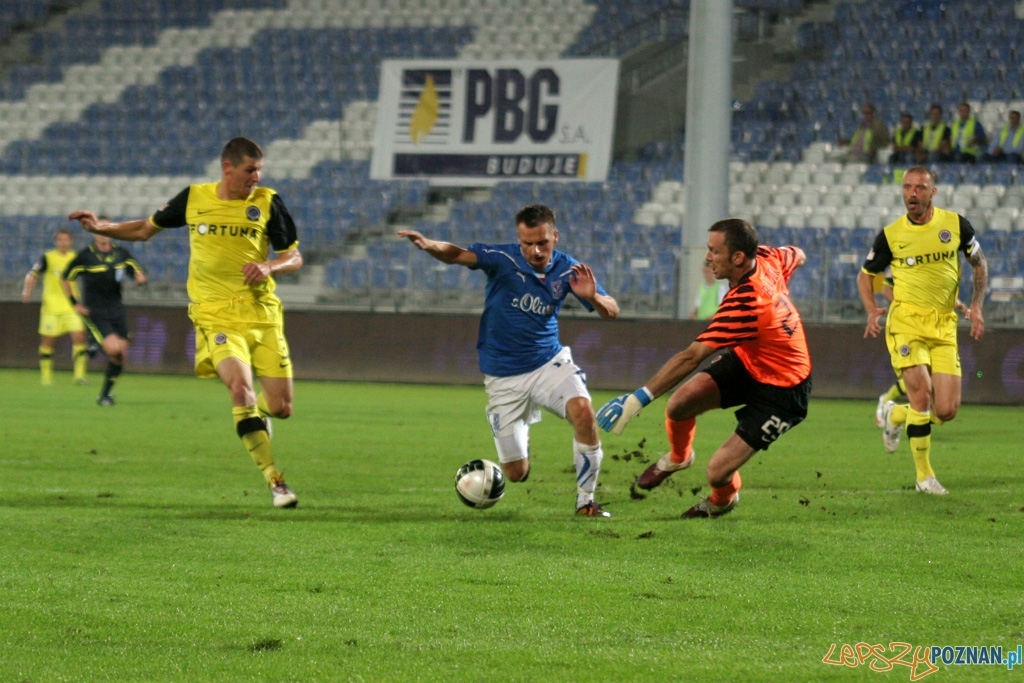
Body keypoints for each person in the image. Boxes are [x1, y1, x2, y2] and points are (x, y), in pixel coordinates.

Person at [68, 137, 303, 509]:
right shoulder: (194, 198)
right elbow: (145, 229)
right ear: (228, 168)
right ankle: (276, 481)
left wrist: (270, 265)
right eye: (249, 170)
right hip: (214, 314)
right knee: (239, 389)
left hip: (262, 315)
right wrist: (102, 226)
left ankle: (258, 418)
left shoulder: (268, 202)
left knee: (281, 407)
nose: (255, 177)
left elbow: (293, 257)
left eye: (259, 170)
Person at [399, 204, 620, 517]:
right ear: (519, 240)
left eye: (542, 242)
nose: (535, 250)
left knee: (583, 412)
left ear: (555, 237)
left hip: (549, 362)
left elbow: (613, 310)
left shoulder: (569, 270)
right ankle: (521, 434)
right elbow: (456, 254)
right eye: (527, 243)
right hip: (503, 377)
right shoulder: (501, 259)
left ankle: (586, 502)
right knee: (516, 473)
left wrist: (594, 296)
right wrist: (428, 245)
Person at [595, 219, 812, 519]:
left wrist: (637, 400)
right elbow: (797, 254)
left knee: (717, 472)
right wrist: (792, 266)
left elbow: (691, 357)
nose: (708, 257)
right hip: (751, 363)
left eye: (714, 251)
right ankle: (679, 457)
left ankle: (723, 500)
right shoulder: (765, 256)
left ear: (737, 258)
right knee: (680, 404)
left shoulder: (748, 304)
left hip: (784, 389)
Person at [857, 166, 987, 495]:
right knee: (920, 396)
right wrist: (872, 309)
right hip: (906, 324)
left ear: (933, 192)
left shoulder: (955, 225)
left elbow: (979, 264)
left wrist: (977, 306)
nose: (912, 193)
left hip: (944, 325)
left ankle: (895, 415)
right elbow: (865, 275)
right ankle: (924, 477)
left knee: (945, 411)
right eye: (907, 188)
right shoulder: (890, 235)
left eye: (919, 188)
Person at [62, 230, 146, 405]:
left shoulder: (121, 253)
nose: (103, 234)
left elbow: (136, 272)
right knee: (113, 350)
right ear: (94, 233)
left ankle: (104, 395)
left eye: (106, 229)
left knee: (120, 355)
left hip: (117, 309)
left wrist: (140, 279)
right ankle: (94, 341)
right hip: (95, 311)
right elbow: (65, 278)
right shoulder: (86, 255)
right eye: (99, 230)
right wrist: (74, 303)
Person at [22, 228, 90, 385]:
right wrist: (27, 290)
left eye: (66, 240)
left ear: (71, 241)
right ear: (56, 242)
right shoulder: (48, 257)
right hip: (51, 307)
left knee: (79, 337)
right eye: (60, 240)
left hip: (71, 306)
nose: (63, 243)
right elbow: (34, 274)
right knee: (47, 342)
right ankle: (46, 378)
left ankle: (79, 376)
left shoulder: (76, 257)